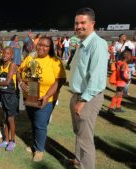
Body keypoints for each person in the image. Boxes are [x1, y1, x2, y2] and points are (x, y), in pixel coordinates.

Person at [68, 8, 109, 169]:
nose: (78, 26)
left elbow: (97, 79)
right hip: (77, 94)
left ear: (92, 24)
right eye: (76, 23)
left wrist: (83, 100)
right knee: (79, 132)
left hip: (88, 97)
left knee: (85, 138)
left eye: (83, 23)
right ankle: (78, 160)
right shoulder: (82, 43)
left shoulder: (97, 44)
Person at [18, 37, 66, 161]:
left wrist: (47, 96)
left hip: (45, 99)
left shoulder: (54, 61)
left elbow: (60, 81)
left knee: (40, 124)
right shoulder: (30, 58)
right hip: (29, 97)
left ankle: (39, 150)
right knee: (34, 122)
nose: (41, 47)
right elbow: (19, 71)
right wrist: (21, 82)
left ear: (50, 48)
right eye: (39, 45)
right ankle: (34, 144)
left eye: (45, 46)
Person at [0, 46, 18, 151]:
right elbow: (2, 85)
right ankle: (6, 140)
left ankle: (13, 141)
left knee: (11, 119)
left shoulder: (12, 65)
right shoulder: (1, 66)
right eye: (4, 53)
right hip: (4, 95)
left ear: (12, 55)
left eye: (8, 53)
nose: (5, 55)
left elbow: (7, 82)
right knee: (6, 119)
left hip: (11, 96)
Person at [108, 48, 132, 113]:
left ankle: (118, 107)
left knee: (120, 95)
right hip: (121, 82)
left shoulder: (120, 63)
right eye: (130, 56)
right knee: (117, 95)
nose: (131, 57)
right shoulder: (124, 64)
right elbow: (122, 74)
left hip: (121, 82)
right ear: (127, 57)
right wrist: (126, 79)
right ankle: (111, 108)